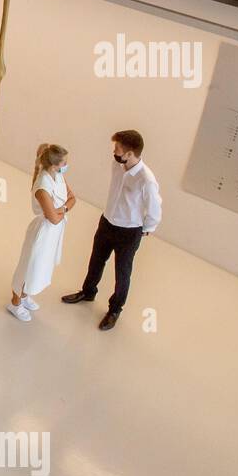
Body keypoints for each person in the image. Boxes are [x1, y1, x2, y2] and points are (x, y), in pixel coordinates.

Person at [62, 129, 162, 330]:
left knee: (122, 272)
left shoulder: (146, 179)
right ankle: (88, 291)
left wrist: (147, 228)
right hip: (107, 221)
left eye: (117, 148)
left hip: (129, 231)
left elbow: (154, 207)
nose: (114, 151)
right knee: (96, 260)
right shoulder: (117, 165)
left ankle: (115, 309)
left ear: (130, 153)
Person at [6, 144, 75, 322]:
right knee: (28, 266)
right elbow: (52, 218)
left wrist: (62, 208)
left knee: (40, 268)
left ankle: (25, 295)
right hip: (43, 232)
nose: (66, 166)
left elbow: (73, 198)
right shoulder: (42, 187)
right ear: (54, 165)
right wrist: (63, 210)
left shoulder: (58, 176)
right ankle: (15, 302)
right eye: (64, 163)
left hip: (54, 232)